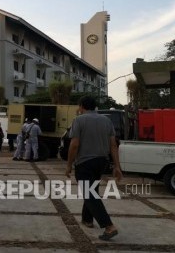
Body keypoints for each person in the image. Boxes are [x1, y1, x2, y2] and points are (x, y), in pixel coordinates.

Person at [65, 95, 123, 241]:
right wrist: (117, 166)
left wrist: (68, 165)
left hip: (85, 163)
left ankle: (109, 226)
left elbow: (74, 145)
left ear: (81, 106)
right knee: (92, 190)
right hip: (101, 162)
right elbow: (113, 145)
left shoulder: (78, 120)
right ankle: (87, 220)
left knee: (89, 193)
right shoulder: (106, 120)